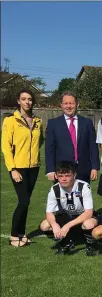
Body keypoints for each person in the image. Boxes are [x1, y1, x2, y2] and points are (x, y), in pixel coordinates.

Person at [2, 88, 44, 247]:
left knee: (27, 201)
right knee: (23, 201)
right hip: (17, 168)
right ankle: (14, 235)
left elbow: (40, 141)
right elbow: (5, 147)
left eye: (30, 99)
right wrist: (12, 169)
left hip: (34, 167)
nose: (27, 102)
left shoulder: (38, 121)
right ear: (18, 101)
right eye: (24, 99)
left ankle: (22, 233)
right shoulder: (10, 120)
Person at [39, 162, 99, 256]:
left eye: (67, 175)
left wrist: (67, 226)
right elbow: (49, 213)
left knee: (88, 224)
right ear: (56, 176)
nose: (63, 179)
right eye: (60, 176)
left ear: (74, 175)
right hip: (67, 216)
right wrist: (54, 225)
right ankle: (66, 242)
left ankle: (91, 245)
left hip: (83, 216)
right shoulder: (54, 189)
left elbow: (88, 213)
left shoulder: (83, 187)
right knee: (45, 225)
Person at [45, 91, 99, 184]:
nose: (68, 106)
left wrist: (94, 167)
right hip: (62, 172)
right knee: (63, 198)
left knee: (82, 197)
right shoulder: (53, 124)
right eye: (66, 103)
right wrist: (50, 170)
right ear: (61, 105)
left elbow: (93, 147)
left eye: (71, 103)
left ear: (77, 104)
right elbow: (49, 149)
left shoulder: (87, 123)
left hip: (83, 170)